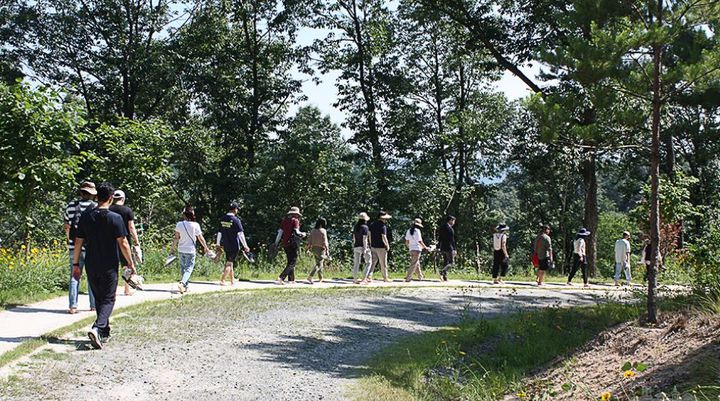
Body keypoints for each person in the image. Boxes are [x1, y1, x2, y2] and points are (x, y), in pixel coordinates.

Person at [73, 182, 135, 349]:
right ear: (110, 198)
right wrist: (130, 263)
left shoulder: (86, 216)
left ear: (96, 196)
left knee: (100, 298)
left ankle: (104, 332)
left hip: (91, 264)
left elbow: (78, 241)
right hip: (109, 264)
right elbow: (123, 242)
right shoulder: (115, 218)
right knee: (109, 298)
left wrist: (75, 263)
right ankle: (97, 327)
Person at [63, 181, 97, 314]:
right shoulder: (96, 207)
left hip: (74, 246)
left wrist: (70, 240)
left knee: (74, 275)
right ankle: (93, 305)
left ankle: (73, 306)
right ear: (92, 194)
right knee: (92, 276)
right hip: (92, 247)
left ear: (81, 193)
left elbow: (67, 226)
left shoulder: (71, 206)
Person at [171, 206, 211, 294]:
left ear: (184, 214)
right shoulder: (195, 225)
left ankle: (185, 286)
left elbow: (176, 238)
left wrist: (172, 249)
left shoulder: (179, 224)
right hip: (190, 250)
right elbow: (200, 238)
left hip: (181, 249)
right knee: (189, 268)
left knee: (183, 268)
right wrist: (206, 248)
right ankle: (182, 283)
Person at [109, 190, 143, 296]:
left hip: (110, 240)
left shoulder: (109, 209)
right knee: (127, 265)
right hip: (124, 240)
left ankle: (111, 290)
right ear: (123, 199)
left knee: (111, 266)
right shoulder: (127, 210)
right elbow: (131, 227)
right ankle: (127, 289)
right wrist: (137, 242)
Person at [215, 202, 250, 286]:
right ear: (235, 209)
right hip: (234, 245)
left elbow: (219, 232)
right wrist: (245, 246)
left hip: (226, 244)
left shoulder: (222, 219)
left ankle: (232, 280)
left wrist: (217, 243)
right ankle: (222, 280)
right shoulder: (236, 220)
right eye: (237, 209)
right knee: (229, 263)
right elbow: (240, 234)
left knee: (230, 262)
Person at [275, 207, 305, 285]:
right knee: (293, 262)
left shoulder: (284, 221)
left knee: (290, 261)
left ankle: (291, 280)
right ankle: (281, 278)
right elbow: (297, 232)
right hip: (292, 243)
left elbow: (280, 233)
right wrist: (303, 234)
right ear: (295, 214)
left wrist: (276, 243)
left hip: (285, 244)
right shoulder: (295, 221)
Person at [363, 212, 392, 283]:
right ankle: (385, 277)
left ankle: (369, 276)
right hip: (381, 247)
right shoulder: (383, 226)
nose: (386, 220)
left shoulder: (372, 224)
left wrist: (370, 243)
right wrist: (387, 245)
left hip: (373, 246)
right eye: (385, 219)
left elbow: (369, 234)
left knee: (372, 262)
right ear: (382, 218)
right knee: (383, 263)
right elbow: (384, 237)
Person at [307, 217, 330, 284]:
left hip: (314, 248)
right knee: (319, 265)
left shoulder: (313, 230)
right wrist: (327, 250)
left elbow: (309, 241)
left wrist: (308, 249)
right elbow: (325, 241)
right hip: (321, 249)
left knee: (320, 263)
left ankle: (321, 278)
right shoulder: (323, 231)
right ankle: (310, 277)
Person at [351, 213, 371, 284]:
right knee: (369, 262)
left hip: (356, 246)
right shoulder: (365, 227)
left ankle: (355, 279)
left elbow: (354, 237)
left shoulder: (356, 226)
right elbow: (365, 238)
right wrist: (365, 248)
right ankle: (364, 279)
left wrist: (354, 245)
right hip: (363, 246)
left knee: (356, 263)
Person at [437, 216, 457, 282]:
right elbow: (452, 240)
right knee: (451, 262)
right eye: (453, 221)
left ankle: (445, 277)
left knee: (445, 261)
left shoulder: (442, 227)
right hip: (449, 247)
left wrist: (438, 246)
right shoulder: (450, 229)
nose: (454, 223)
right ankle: (443, 271)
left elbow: (439, 238)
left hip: (443, 247)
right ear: (450, 220)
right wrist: (454, 249)